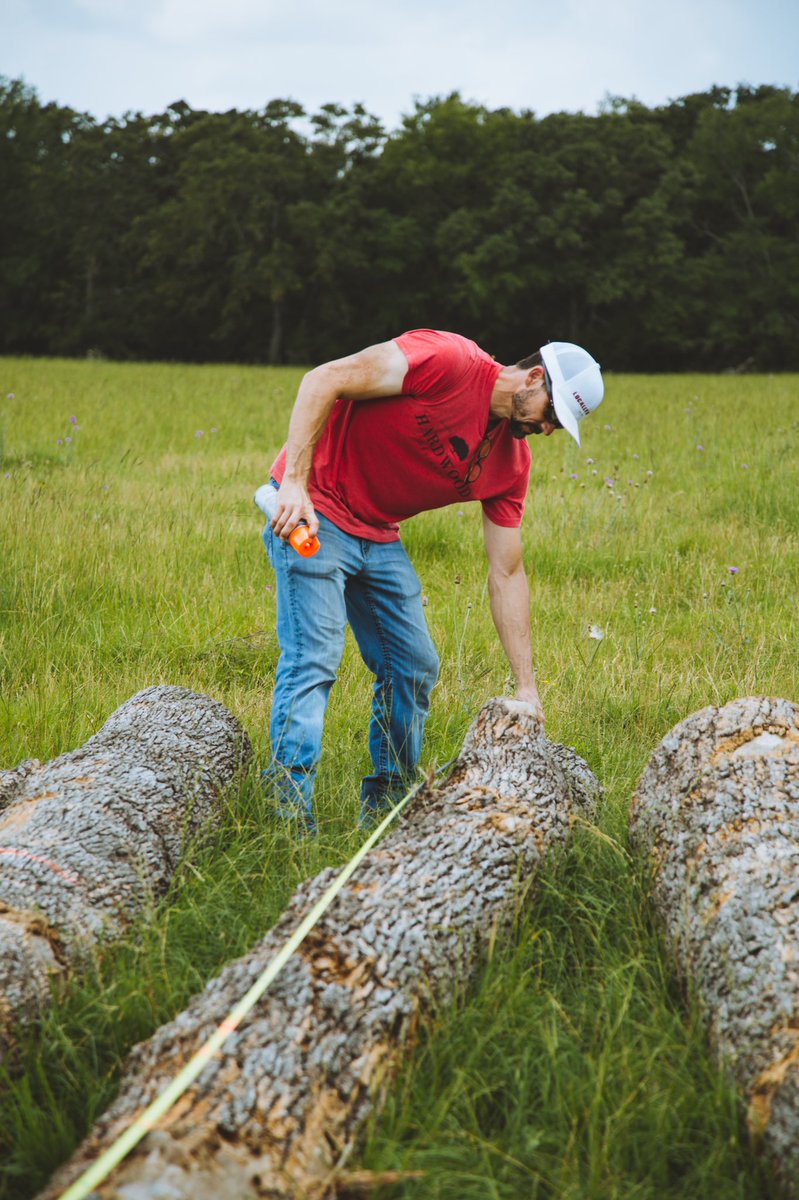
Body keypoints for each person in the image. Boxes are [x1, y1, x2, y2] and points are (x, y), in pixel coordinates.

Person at [259, 329, 604, 832]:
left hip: (376, 533)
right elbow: (324, 379)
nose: (549, 429)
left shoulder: (511, 464)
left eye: (559, 425)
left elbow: (507, 571)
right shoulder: (447, 360)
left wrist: (527, 687)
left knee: (414, 666)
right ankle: (286, 821)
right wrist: (293, 483)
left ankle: (388, 812)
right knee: (314, 658)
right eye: (552, 414)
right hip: (314, 509)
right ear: (533, 378)